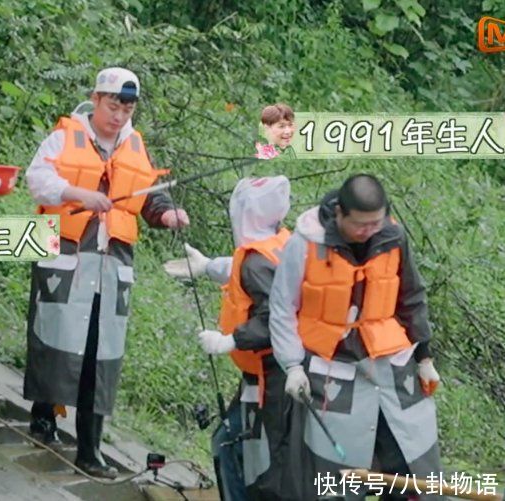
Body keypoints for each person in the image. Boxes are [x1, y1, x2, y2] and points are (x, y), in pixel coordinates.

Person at [23, 67, 190, 479]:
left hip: (112, 263)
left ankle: (90, 447)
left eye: (127, 108)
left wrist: (168, 213)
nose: (119, 115)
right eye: (113, 105)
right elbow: (38, 179)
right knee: (55, 336)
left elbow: (151, 195)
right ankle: (44, 414)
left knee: (103, 349)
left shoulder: (135, 145)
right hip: (64, 251)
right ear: (96, 99)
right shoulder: (65, 136)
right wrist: (78, 193)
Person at [269, 174, 443, 500]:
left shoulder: (392, 236)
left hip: (392, 366)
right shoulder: (305, 242)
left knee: (412, 458)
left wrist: (425, 358)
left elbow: (412, 297)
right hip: (331, 369)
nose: (369, 231)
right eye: (361, 225)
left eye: (376, 222)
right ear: (339, 214)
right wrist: (292, 365)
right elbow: (282, 308)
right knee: (334, 473)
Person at [165, 176, 297, 500]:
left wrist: (231, 340)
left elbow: (271, 318)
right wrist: (208, 266)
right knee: (238, 446)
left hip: (271, 381)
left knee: (240, 450)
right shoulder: (284, 243)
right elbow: (245, 270)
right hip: (275, 377)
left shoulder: (257, 260)